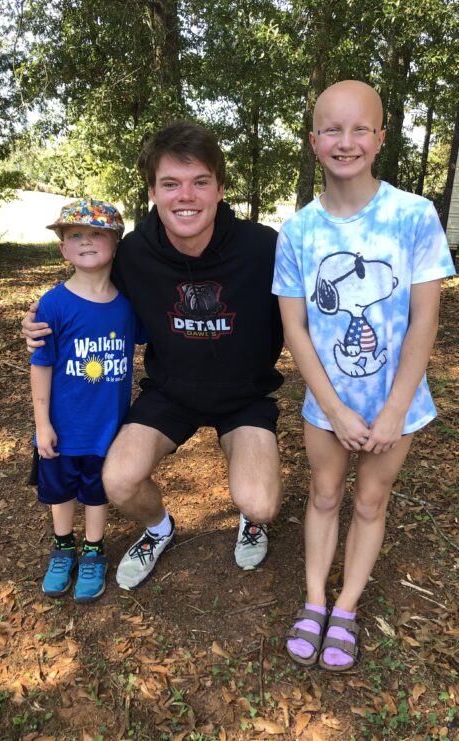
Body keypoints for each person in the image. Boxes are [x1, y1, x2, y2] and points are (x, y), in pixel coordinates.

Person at [23, 121, 285, 591]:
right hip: (171, 393)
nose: (186, 196)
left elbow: (310, 315)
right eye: (171, 184)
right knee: (117, 480)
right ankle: (159, 528)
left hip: (245, 395)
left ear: (220, 189)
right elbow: (88, 290)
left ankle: (253, 521)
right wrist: (41, 324)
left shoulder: (264, 248)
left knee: (261, 502)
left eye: (200, 182)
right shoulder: (134, 253)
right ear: (153, 192)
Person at [273, 79, 455, 671]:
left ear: (380, 137)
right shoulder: (297, 231)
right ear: (313, 140)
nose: (345, 141)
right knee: (325, 496)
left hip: (394, 405)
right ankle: (314, 599)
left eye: (359, 129)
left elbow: (425, 320)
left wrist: (396, 409)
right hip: (328, 405)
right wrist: (335, 408)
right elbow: (296, 329)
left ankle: (346, 608)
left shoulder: (414, 216)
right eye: (332, 128)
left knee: (371, 502)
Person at [31, 198, 145, 602]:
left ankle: (94, 550)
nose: (86, 241)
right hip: (63, 428)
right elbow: (41, 363)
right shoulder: (53, 304)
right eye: (75, 235)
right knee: (60, 492)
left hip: (107, 428)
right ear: (63, 248)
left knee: (96, 491)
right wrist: (42, 423)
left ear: (115, 243)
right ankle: (64, 546)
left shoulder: (130, 308)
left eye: (97, 233)